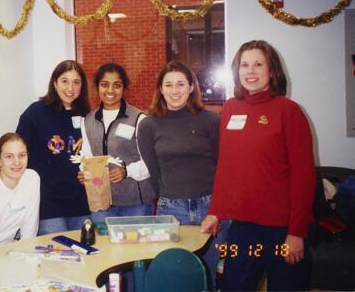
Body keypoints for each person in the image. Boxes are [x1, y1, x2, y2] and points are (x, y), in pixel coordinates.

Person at [200, 40, 316, 291]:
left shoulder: (289, 111)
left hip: (281, 227)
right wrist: (215, 210)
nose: (250, 71)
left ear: (272, 71)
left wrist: (296, 232)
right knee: (233, 286)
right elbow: (226, 166)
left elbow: (303, 176)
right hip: (242, 227)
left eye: (258, 64)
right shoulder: (231, 108)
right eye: (244, 65)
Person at [137, 60, 222, 286]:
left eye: (181, 84)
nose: (175, 91)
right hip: (171, 210)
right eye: (169, 85)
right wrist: (170, 195)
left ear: (192, 87)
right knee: (177, 278)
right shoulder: (148, 125)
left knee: (208, 275)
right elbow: (153, 171)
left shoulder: (211, 120)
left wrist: (217, 208)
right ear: (160, 89)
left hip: (210, 208)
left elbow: (222, 165)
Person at [16, 60, 91, 235]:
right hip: (48, 204)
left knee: (84, 257)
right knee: (59, 258)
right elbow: (18, 152)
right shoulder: (35, 113)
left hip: (81, 203)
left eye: (76, 82)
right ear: (55, 83)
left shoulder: (87, 115)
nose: (70, 88)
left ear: (82, 86)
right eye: (65, 81)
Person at [78, 63, 155, 222]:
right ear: (97, 87)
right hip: (101, 202)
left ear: (124, 88)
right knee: (103, 247)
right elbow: (87, 155)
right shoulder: (88, 120)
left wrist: (127, 171)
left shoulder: (139, 119)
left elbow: (151, 162)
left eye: (117, 85)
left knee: (136, 247)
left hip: (136, 204)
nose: (110, 91)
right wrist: (85, 172)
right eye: (105, 85)